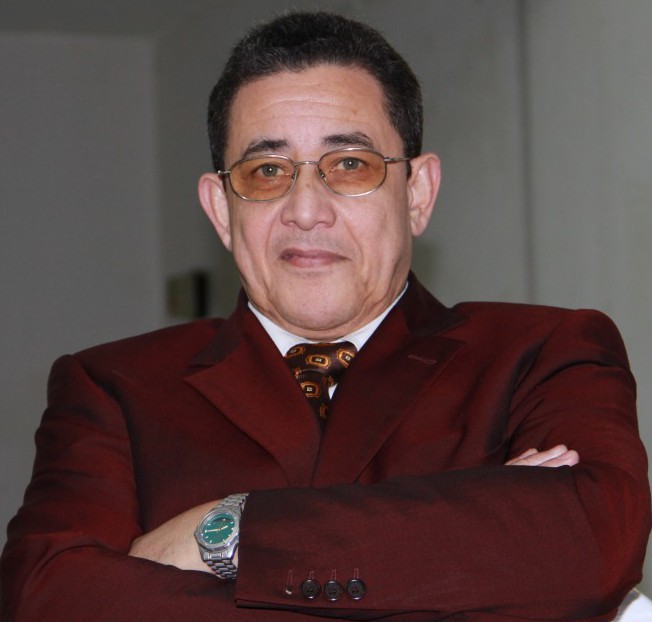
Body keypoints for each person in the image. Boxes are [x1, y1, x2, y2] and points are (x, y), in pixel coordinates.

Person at [1, 11, 649, 622]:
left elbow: (590, 548)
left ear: (418, 193)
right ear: (222, 210)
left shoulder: (540, 351)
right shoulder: (114, 387)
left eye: (350, 165)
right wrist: (469, 550)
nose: (306, 210)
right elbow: (48, 599)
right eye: (266, 171)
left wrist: (225, 531)